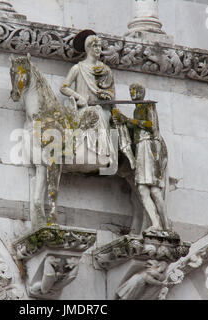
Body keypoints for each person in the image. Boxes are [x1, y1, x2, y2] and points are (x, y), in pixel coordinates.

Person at [113, 83, 169, 233]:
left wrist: (128, 120)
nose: (132, 93)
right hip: (140, 147)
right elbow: (136, 127)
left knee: (155, 191)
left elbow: (151, 125)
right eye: (130, 90)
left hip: (149, 147)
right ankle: (155, 223)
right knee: (143, 190)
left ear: (141, 92)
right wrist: (122, 120)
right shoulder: (137, 109)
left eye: (134, 90)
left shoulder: (147, 106)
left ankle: (166, 225)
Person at [60, 30, 116, 162]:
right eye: (95, 46)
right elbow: (63, 87)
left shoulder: (106, 70)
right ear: (88, 48)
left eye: (99, 46)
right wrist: (79, 97)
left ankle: (102, 153)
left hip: (101, 108)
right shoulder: (78, 68)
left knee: (100, 113)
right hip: (83, 108)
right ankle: (87, 150)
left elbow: (112, 94)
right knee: (93, 113)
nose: (98, 49)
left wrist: (106, 96)